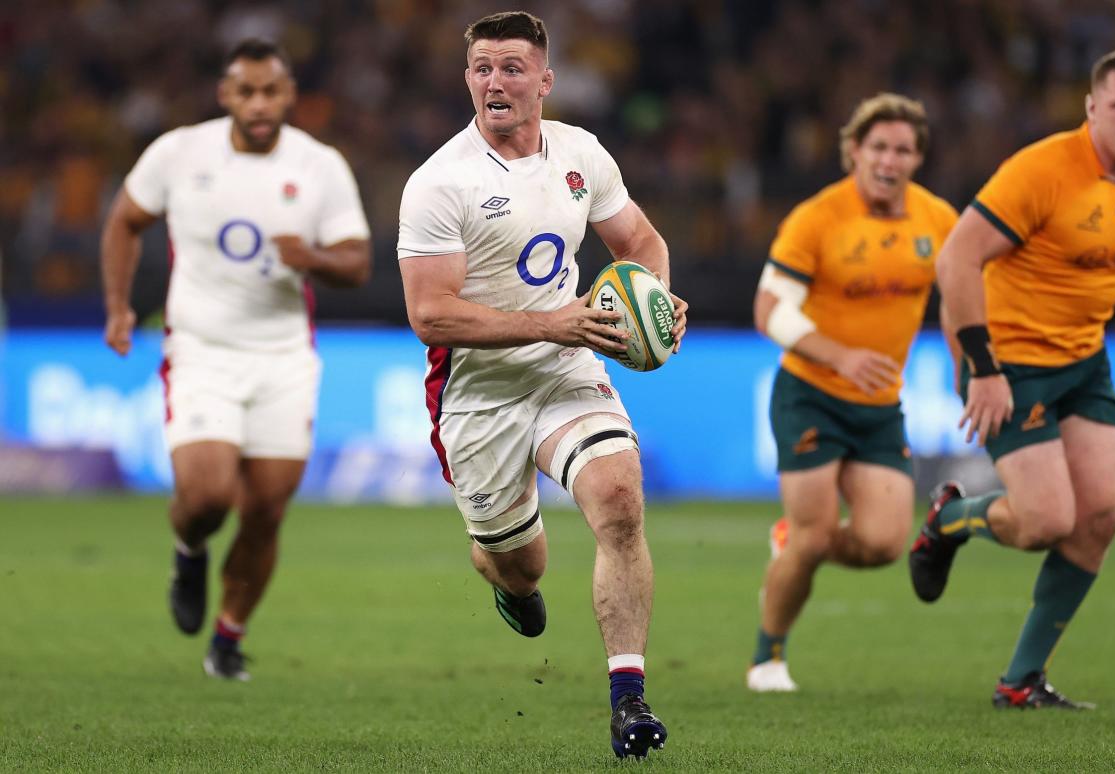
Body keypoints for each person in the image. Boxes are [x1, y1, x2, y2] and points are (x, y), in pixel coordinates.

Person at [395, 11, 687, 760]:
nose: (495, 81)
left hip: (566, 367)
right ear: (468, 80)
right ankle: (510, 584)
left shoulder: (582, 155)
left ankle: (629, 699)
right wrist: (551, 323)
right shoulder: (439, 182)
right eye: (482, 67)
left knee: (619, 499)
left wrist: (655, 296)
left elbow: (641, 243)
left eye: (512, 67)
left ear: (545, 81)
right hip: (479, 393)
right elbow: (430, 315)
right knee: (518, 563)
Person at [910, 48, 1115, 709]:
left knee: (1098, 518)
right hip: (1007, 361)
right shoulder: (1043, 169)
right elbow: (956, 261)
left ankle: (1021, 680)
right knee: (1043, 521)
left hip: (1083, 366)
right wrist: (981, 368)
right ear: (1092, 106)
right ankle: (948, 520)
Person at [100, 39, 372, 681]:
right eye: (245, 91)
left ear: (288, 94)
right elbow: (123, 222)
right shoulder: (179, 152)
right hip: (201, 349)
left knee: (266, 511)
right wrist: (117, 306)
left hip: (283, 356)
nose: (258, 103)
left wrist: (313, 258)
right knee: (207, 496)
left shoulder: (319, 165)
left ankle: (227, 638)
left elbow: (356, 262)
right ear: (225, 95)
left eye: (269, 91)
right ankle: (188, 549)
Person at [747, 94, 958, 692]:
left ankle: (790, 544)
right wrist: (840, 355)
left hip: (880, 405)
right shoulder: (817, 218)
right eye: (879, 147)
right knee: (815, 535)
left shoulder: (937, 220)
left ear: (917, 159)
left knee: (883, 544)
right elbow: (769, 308)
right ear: (855, 152)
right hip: (810, 394)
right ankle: (768, 658)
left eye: (903, 149)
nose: (890, 159)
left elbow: (970, 293)